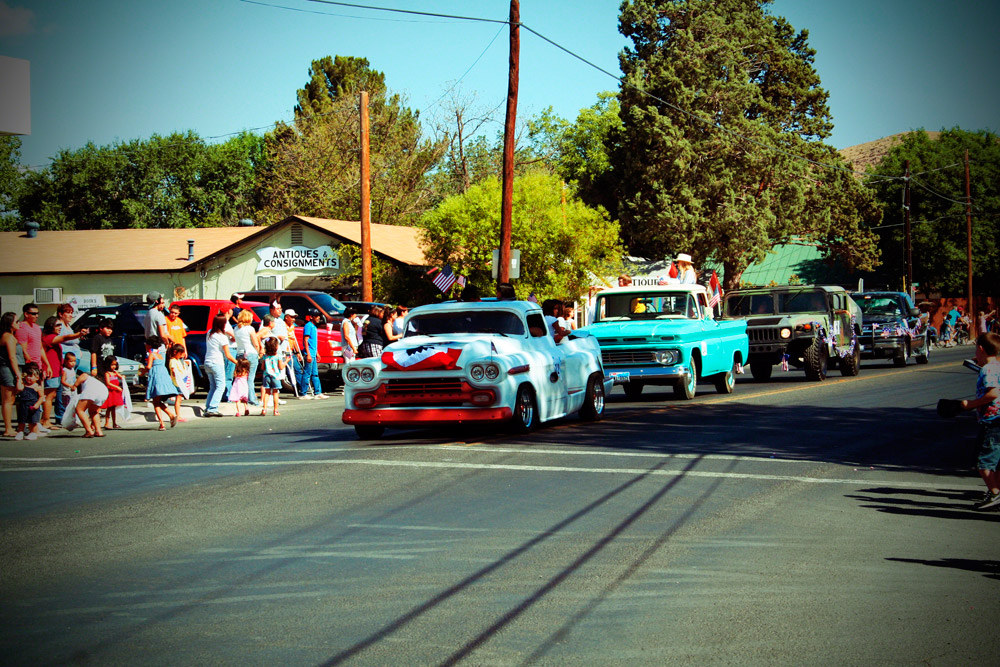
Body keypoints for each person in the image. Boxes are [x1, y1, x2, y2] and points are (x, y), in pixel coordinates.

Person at [959, 333, 1000, 510]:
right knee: (996, 462)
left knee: (983, 463)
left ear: (981, 349)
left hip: (992, 421)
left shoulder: (988, 370)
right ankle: (996, 492)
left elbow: (993, 393)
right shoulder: (997, 366)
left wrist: (971, 404)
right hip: (998, 421)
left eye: (976, 348)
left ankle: (995, 494)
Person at [40, 316, 72, 431]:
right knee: (49, 396)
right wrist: (78, 334)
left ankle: (45, 420)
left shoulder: (51, 337)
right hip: (51, 371)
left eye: (60, 325)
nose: (60, 327)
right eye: (57, 325)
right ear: (51, 326)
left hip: (56, 370)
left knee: (51, 396)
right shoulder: (50, 338)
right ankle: (45, 421)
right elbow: (65, 337)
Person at [204, 315, 237, 417]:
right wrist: (237, 362)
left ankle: (208, 407)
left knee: (213, 387)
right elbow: (227, 355)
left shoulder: (209, 333)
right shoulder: (222, 337)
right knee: (220, 386)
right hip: (217, 362)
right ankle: (213, 408)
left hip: (207, 362)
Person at [145, 336, 178, 429]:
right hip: (163, 376)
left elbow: (148, 366)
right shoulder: (162, 354)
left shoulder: (151, 355)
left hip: (156, 377)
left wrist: (142, 371)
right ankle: (168, 417)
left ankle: (163, 422)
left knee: (155, 401)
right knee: (157, 400)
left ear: (149, 345)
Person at [2, 312, 25, 438]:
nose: (19, 323)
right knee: (8, 399)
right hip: (8, 369)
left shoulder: (11, 336)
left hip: (12, 368)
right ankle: (8, 428)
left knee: (11, 399)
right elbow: (12, 357)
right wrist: (18, 377)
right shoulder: (8, 337)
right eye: (16, 321)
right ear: (9, 323)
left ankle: (10, 426)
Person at [15, 303, 50, 382]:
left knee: (40, 392)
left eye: (37, 313)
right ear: (26, 314)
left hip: (38, 366)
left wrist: (47, 365)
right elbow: (23, 350)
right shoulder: (22, 328)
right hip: (29, 368)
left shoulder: (37, 327)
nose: (36, 316)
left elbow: (40, 348)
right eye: (34, 314)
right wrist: (32, 368)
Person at [234, 309, 261, 406]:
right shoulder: (250, 329)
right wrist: (258, 353)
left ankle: (242, 397)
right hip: (250, 353)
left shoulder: (236, 329)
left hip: (240, 354)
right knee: (250, 378)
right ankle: (252, 399)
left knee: (242, 377)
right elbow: (255, 343)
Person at [298, 309, 327, 399]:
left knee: (315, 373)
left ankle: (318, 392)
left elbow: (313, 342)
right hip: (309, 354)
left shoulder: (314, 327)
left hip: (313, 353)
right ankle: (303, 393)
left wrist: (317, 352)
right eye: (316, 316)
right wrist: (308, 354)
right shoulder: (308, 326)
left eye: (319, 316)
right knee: (307, 373)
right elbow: (305, 340)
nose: (318, 318)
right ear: (311, 317)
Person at [72, 370, 109, 438]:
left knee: (79, 410)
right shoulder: (94, 381)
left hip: (92, 391)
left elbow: (83, 375)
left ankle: (89, 431)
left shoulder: (85, 376)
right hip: (103, 391)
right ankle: (98, 431)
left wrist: (74, 385)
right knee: (93, 412)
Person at [14, 364, 44, 441]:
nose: (28, 378)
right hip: (23, 405)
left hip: (33, 406)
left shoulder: (37, 386)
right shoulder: (24, 385)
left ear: (37, 377)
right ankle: (20, 432)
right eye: (27, 376)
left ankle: (33, 433)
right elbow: (19, 388)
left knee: (33, 421)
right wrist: (19, 379)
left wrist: (37, 404)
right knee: (21, 420)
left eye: (31, 376)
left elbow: (41, 397)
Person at [260, 337, 285, 416]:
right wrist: (286, 361)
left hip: (266, 375)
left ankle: (264, 409)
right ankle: (275, 410)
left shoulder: (265, 356)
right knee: (275, 393)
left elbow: (262, 367)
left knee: (267, 392)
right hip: (276, 376)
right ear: (276, 347)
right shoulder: (278, 356)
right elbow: (281, 367)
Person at [283, 310, 305, 398]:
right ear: (286, 317)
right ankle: (296, 388)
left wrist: (297, 352)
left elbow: (294, 339)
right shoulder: (283, 326)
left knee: (297, 369)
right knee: (290, 370)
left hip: (291, 351)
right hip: (285, 351)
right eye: (291, 317)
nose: (293, 319)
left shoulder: (292, 326)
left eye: (294, 317)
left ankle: (300, 388)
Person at [102, 357, 125, 430]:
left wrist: (122, 377)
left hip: (115, 393)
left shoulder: (115, 373)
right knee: (109, 408)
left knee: (113, 409)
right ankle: (107, 422)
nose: (113, 366)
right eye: (112, 365)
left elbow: (121, 377)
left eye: (115, 365)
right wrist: (116, 387)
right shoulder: (107, 374)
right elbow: (108, 383)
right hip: (111, 392)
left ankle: (114, 423)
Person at [59, 352, 78, 419]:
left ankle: (72, 418)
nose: (73, 363)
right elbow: (62, 381)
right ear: (66, 361)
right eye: (71, 361)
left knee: (73, 405)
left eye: (74, 361)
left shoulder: (72, 369)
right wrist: (70, 386)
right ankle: (65, 418)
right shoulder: (65, 370)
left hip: (73, 391)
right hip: (66, 392)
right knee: (67, 406)